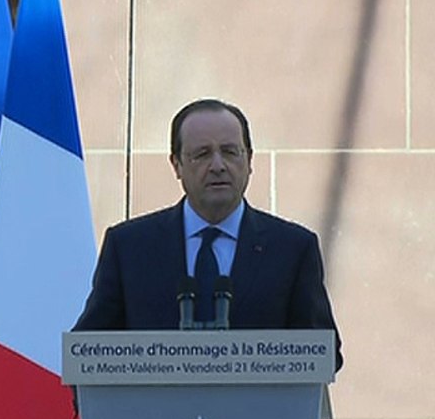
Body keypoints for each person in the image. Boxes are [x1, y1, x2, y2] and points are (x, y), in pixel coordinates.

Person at [73, 98, 342, 370]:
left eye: (229, 152)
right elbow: (86, 353)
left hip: (256, 412)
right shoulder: (129, 247)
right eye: (202, 154)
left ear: (249, 160)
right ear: (176, 165)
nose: (218, 165)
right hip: (158, 412)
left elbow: (324, 354)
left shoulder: (293, 249)